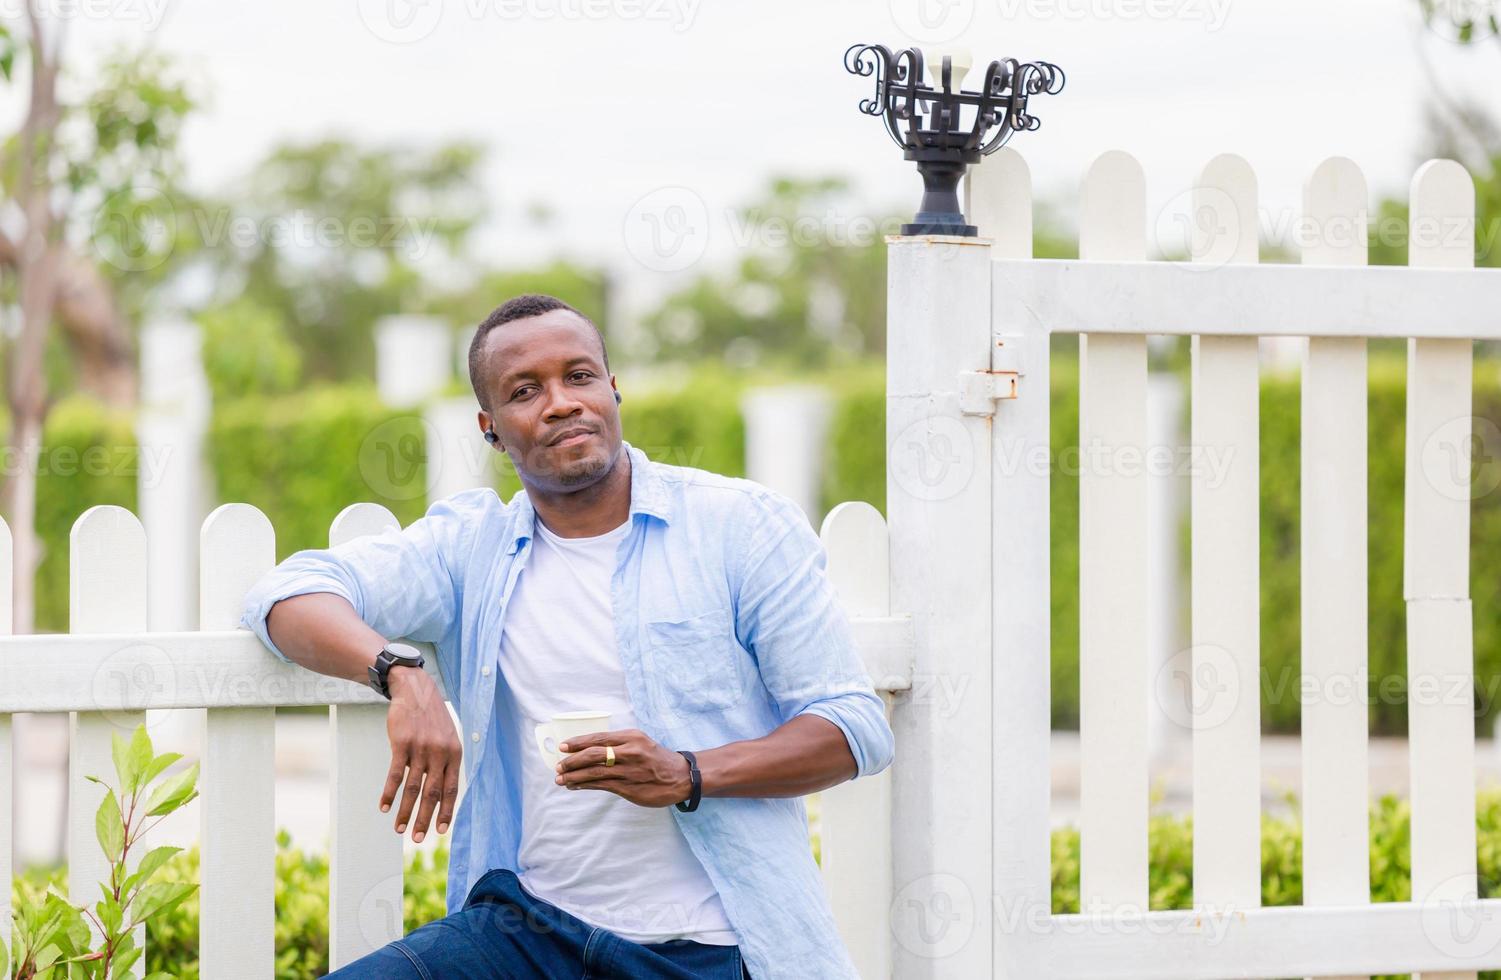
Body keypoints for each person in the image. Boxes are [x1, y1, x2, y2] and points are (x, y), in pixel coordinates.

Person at [240, 294, 895, 979]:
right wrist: (399, 675)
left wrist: (685, 773)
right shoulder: (470, 550)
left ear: (612, 390)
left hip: (707, 948)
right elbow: (285, 594)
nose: (560, 403)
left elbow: (854, 729)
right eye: (526, 391)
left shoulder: (740, 528)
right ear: (491, 428)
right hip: (524, 929)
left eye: (578, 377)